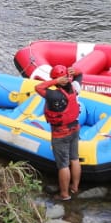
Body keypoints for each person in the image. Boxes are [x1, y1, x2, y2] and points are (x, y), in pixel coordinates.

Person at [34, 64, 86, 201]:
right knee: (74, 158)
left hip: (60, 134)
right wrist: (75, 71)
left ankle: (64, 194)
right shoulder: (75, 87)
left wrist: (55, 81)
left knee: (63, 165)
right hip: (75, 129)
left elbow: (38, 87)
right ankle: (74, 187)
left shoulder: (53, 95)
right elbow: (80, 75)